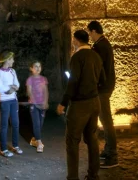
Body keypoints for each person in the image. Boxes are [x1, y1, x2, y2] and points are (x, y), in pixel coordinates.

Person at [57, 29, 106, 180]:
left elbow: (73, 82)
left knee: (72, 141)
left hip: (80, 105)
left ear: (77, 40)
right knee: (91, 138)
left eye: (73, 40)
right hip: (95, 102)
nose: (72, 42)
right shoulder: (96, 56)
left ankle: (72, 177)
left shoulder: (77, 57)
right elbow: (103, 79)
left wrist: (63, 103)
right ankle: (93, 175)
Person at [88, 20, 118, 168]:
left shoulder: (100, 46)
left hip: (103, 88)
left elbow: (99, 68)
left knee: (106, 121)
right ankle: (108, 150)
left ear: (94, 31)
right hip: (106, 86)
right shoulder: (104, 44)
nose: (90, 36)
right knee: (106, 121)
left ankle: (112, 155)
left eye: (90, 33)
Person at [0, 51, 22, 157]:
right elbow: (0, 89)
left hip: (13, 100)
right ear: (6, 60)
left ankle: (15, 146)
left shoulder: (12, 71)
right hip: (4, 101)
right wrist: (11, 88)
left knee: (15, 123)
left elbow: (17, 84)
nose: (13, 61)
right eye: (12, 59)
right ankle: (3, 149)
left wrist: (13, 88)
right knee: (4, 125)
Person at [26, 60, 49, 153]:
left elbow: (46, 91)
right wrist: (34, 102)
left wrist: (45, 102)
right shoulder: (30, 80)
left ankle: (34, 139)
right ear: (31, 68)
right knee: (36, 123)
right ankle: (39, 143)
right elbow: (29, 91)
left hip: (42, 105)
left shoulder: (43, 79)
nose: (38, 68)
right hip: (34, 105)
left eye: (39, 66)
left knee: (40, 123)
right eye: (35, 66)